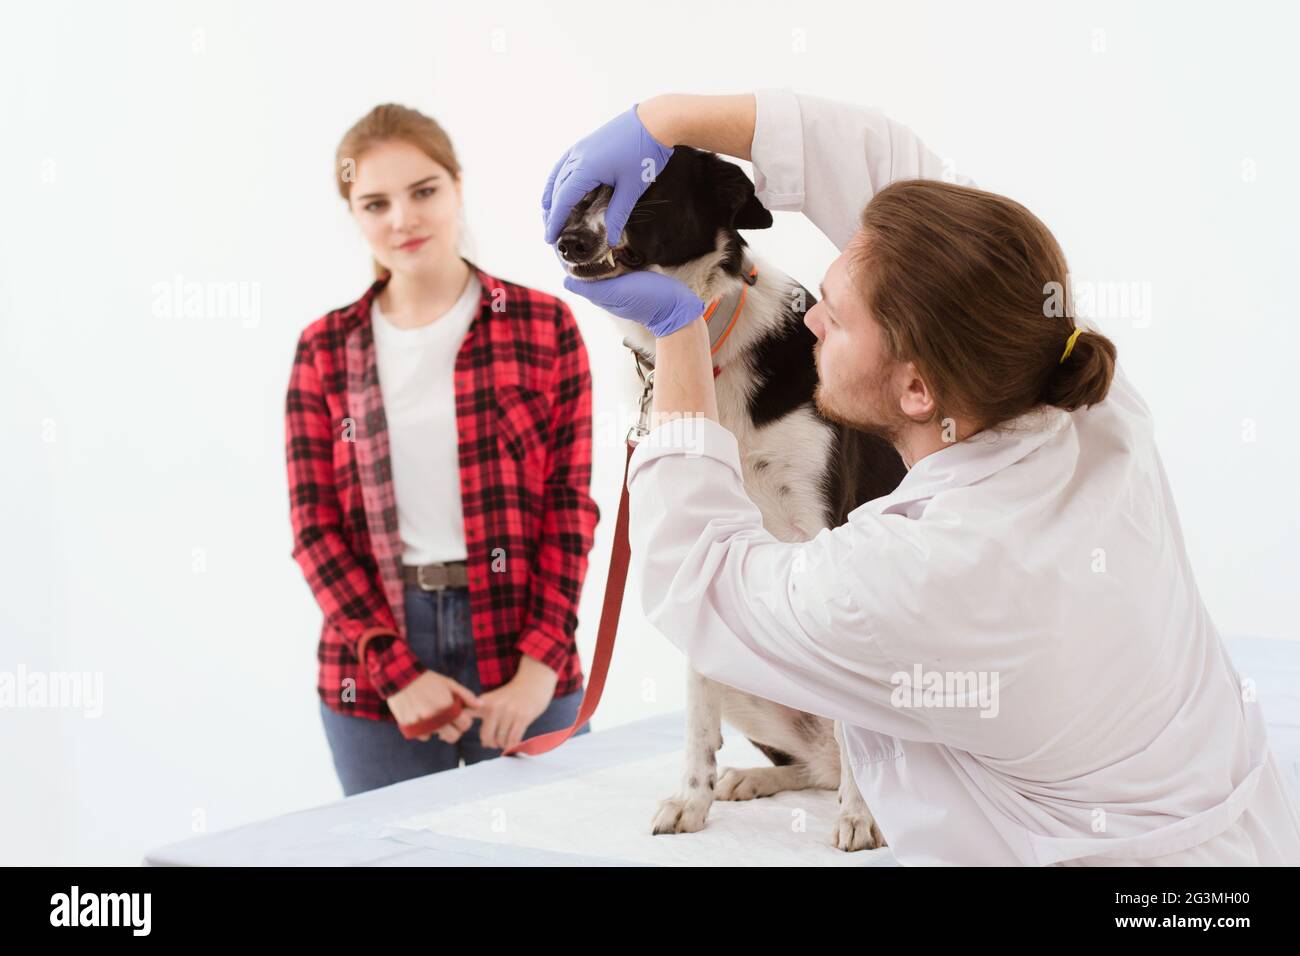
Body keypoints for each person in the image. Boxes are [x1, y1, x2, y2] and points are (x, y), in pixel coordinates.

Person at [543, 91, 1300, 865]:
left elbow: (698, 582)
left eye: (833, 319)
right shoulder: (1079, 393)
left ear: (915, 391)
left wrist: (677, 333)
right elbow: (897, 180)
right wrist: (661, 121)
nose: (807, 319)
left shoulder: (914, 573)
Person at [288, 103, 596, 797]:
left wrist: (540, 667)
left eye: (423, 191)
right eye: (375, 202)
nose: (403, 218)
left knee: (555, 843)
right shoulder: (324, 350)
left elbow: (568, 506)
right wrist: (395, 672)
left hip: (525, 646)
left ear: (457, 185)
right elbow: (315, 532)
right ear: (355, 215)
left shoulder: (545, 326)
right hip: (376, 669)